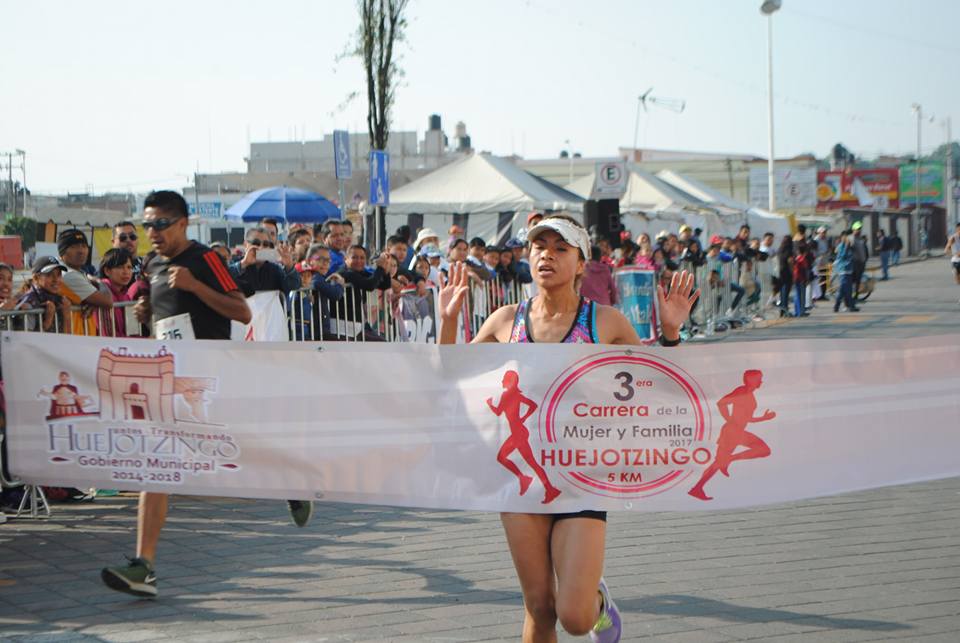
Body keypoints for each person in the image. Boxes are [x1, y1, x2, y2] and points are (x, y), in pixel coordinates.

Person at [438, 214, 699, 643]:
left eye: (561, 249)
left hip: (582, 477)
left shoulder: (605, 322)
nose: (547, 255)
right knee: (540, 608)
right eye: (540, 247)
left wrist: (670, 335)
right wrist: (448, 321)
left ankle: (597, 604)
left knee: (574, 617)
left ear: (582, 264)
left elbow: (661, 389)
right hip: (521, 480)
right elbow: (451, 378)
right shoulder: (506, 321)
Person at [98, 191, 309, 599]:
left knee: (241, 443)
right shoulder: (152, 263)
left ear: (182, 223)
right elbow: (162, 315)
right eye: (147, 225)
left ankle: (293, 481)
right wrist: (146, 315)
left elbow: (242, 311)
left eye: (160, 224)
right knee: (152, 466)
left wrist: (195, 286)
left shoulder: (204, 261)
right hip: (168, 377)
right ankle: (144, 566)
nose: (152, 233)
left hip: (211, 374)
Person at [688, 370, 775, 501]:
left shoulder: (750, 395)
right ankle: (698, 487)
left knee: (763, 450)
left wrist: (764, 418)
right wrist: (729, 420)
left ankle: (701, 484)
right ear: (751, 380)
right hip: (731, 431)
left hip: (738, 431)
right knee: (719, 462)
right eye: (759, 379)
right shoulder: (742, 391)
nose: (761, 381)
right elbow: (721, 403)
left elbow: (747, 418)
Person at [57, 228, 114, 335]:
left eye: (84, 246)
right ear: (62, 252)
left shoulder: (77, 272)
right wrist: (99, 281)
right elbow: (107, 302)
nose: (81, 251)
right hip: (72, 340)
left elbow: (96, 299)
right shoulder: (69, 275)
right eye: (74, 247)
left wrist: (93, 303)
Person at [231, 227, 300, 295]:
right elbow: (223, 280)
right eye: (256, 243)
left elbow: (292, 289)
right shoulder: (236, 264)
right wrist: (244, 263)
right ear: (245, 244)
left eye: (265, 244)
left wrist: (289, 266)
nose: (261, 247)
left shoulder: (275, 270)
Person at [15, 257, 73, 332]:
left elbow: (67, 339)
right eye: (49, 275)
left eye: (58, 275)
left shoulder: (60, 301)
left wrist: (67, 315)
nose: (56, 279)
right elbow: (25, 340)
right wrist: (48, 320)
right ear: (36, 278)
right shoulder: (27, 304)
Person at [97, 248, 138, 337]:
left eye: (129, 267)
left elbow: (132, 332)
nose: (126, 272)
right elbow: (109, 336)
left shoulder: (126, 294)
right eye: (120, 267)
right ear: (107, 271)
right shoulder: (103, 294)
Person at [832, 229, 859, 313]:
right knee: (843, 290)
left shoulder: (849, 245)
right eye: (847, 237)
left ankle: (849, 305)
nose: (848, 238)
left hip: (848, 269)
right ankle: (839, 306)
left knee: (848, 290)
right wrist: (846, 247)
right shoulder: (842, 246)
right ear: (843, 237)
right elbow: (842, 256)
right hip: (843, 270)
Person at [850, 221, 869, 302]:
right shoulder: (851, 238)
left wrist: (865, 259)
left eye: (860, 229)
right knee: (852, 281)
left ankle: (856, 296)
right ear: (853, 230)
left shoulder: (861, 239)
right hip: (854, 263)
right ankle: (851, 296)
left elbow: (864, 250)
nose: (858, 230)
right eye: (857, 229)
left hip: (861, 263)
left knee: (858, 281)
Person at [946, 223, 960, 302]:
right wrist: (954, 254)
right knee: (958, 281)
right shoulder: (953, 238)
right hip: (955, 261)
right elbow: (946, 249)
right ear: (957, 229)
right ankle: (955, 272)